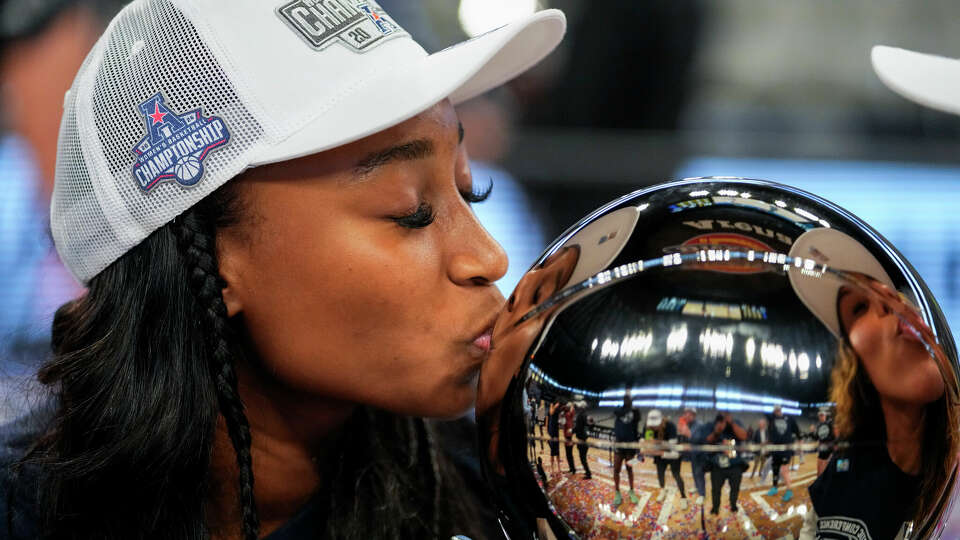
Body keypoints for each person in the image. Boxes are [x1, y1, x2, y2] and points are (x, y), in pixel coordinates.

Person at [0, 1, 567, 539]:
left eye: (471, 191)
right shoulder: (26, 514)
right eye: (411, 213)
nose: (489, 257)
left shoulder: (511, 497)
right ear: (215, 263)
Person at [790, 228, 959, 539]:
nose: (888, 304)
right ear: (856, 366)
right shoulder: (842, 467)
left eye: (894, 295)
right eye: (859, 307)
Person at [695, 413, 747, 515]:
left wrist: (731, 423)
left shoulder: (736, 423)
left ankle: (733, 505)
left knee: (735, 488)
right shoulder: (712, 424)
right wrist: (717, 431)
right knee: (715, 490)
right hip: (717, 465)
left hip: (735, 465)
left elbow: (744, 436)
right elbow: (707, 440)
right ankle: (715, 508)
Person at [647, 409, 687, 510]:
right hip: (660, 454)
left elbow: (673, 452)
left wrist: (658, 449)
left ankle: (683, 497)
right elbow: (648, 442)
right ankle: (663, 490)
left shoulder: (671, 426)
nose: (654, 428)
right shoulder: (649, 427)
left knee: (676, 475)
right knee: (660, 473)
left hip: (672, 454)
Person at [766, 405, 801, 502]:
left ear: (781, 410)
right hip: (775, 448)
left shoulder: (789, 418)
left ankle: (789, 490)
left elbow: (797, 430)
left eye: (778, 409)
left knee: (784, 471)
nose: (777, 411)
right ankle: (774, 487)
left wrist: (800, 440)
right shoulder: (772, 419)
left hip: (786, 448)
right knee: (775, 469)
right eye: (775, 410)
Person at [612, 390, 641, 507]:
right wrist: (628, 408)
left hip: (630, 446)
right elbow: (616, 411)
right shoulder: (619, 410)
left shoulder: (635, 412)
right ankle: (617, 492)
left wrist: (638, 448)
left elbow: (637, 423)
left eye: (628, 399)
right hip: (619, 445)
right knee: (616, 470)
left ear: (631, 400)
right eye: (625, 399)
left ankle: (631, 490)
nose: (627, 400)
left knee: (630, 469)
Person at [573, 401, 592, 479]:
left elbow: (578, 427)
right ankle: (587, 472)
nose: (578, 408)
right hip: (584, 438)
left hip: (581, 439)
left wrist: (572, 431)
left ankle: (588, 473)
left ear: (582, 407)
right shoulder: (586, 415)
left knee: (582, 458)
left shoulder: (580, 416)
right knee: (583, 457)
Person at [814, 410, 834, 476]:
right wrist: (813, 432)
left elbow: (833, 436)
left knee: (825, 465)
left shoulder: (829, 424)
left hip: (828, 447)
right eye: (820, 416)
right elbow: (816, 437)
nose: (821, 417)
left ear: (825, 416)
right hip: (822, 447)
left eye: (822, 415)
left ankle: (823, 480)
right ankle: (819, 479)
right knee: (819, 465)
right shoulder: (818, 425)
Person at [547, 400, 563, 476]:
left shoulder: (557, 411)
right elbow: (550, 413)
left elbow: (559, 418)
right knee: (552, 451)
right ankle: (552, 470)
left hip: (556, 431)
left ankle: (559, 468)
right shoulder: (551, 410)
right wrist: (552, 406)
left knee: (557, 451)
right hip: (552, 432)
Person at [562, 401, 577, 474]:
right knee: (569, 454)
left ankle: (572, 469)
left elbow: (571, 410)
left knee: (569, 454)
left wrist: (571, 405)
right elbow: (570, 410)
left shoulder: (567, 414)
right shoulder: (568, 414)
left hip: (568, 436)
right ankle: (572, 469)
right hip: (567, 436)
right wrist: (572, 405)